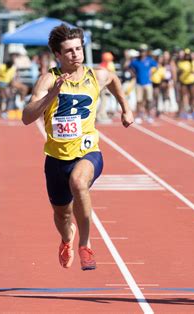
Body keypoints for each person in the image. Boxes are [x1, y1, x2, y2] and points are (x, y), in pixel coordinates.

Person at [22, 24, 134, 271]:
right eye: (69, 51)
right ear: (58, 56)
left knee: (79, 182)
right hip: (56, 158)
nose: (75, 54)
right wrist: (52, 94)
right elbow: (27, 117)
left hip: (88, 151)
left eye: (78, 48)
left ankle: (85, 244)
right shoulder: (48, 79)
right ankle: (67, 238)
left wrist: (126, 107)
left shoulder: (96, 76)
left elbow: (113, 80)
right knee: (62, 215)